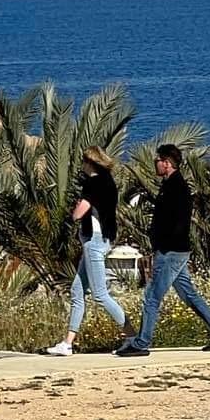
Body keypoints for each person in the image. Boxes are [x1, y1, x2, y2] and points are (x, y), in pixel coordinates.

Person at [116, 144, 210, 357]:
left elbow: (180, 221)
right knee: (189, 294)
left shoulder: (177, 187)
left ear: (167, 163)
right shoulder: (169, 185)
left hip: (171, 251)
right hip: (172, 249)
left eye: (157, 161)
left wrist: (164, 244)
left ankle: (142, 343)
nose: (155, 164)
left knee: (152, 296)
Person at [46, 147, 133, 356]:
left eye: (83, 161)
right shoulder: (109, 181)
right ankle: (67, 343)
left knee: (100, 295)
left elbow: (79, 212)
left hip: (93, 242)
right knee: (77, 291)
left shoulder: (93, 183)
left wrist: (74, 211)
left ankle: (132, 336)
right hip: (100, 240)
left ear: (89, 162)